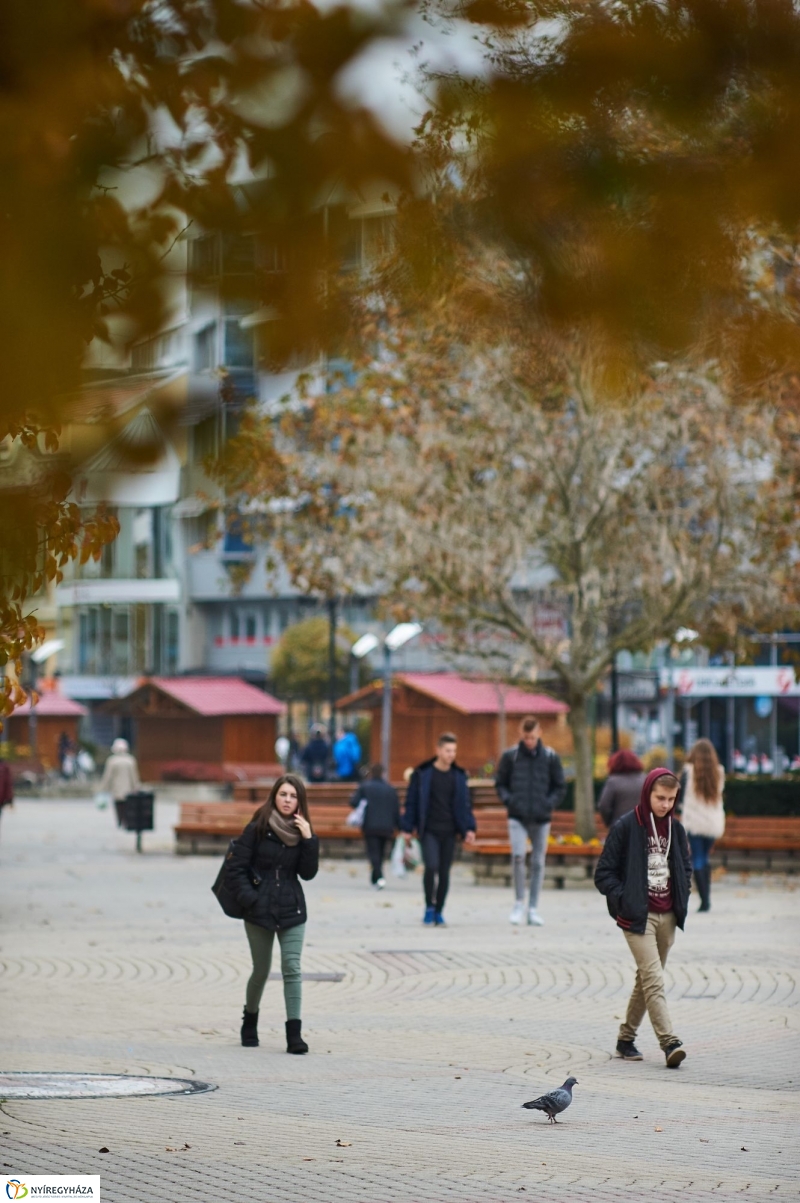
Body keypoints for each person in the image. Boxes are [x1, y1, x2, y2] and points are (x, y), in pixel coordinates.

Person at [594, 767, 692, 1067]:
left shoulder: (677, 828)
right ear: (647, 792)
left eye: (671, 799)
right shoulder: (627, 826)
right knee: (654, 979)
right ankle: (669, 1042)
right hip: (637, 917)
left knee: (645, 981)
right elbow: (603, 874)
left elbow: (685, 867)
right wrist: (626, 899)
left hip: (668, 917)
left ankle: (626, 1039)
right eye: (660, 798)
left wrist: (682, 893)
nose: (665, 804)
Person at [227, 773, 319, 1054]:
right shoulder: (258, 827)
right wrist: (249, 898)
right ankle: (249, 1020)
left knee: (292, 969)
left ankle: (294, 1034)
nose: (288, 800)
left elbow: (308, 873)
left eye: (293, 796)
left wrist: (308, 839)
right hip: (259, 910)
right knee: (261, 970)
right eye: (283, 795)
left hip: (292, 908)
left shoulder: (303, 831)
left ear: (299, 801)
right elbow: (236, 868)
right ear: (275, 797)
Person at [494, 715, 566, 926]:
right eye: (526, 737)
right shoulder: (511, 756)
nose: (529, 741)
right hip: (517, 815)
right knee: (518, 856)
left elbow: (560, 786)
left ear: (539, 733)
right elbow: (500, 783)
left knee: (537, 862)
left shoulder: (550, 757)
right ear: (521, 735)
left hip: (541, 817)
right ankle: (518, 902)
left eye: (532, 737)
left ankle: (533, 907)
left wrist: (548, 803)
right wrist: (510, 801)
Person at [401, 732, 476, 926]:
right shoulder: (423, 774)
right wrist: (407, 827)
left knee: (444, 872)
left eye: (454, 751)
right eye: (447, 750)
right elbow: (412, 802)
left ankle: (439, 910)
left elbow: (465, 805)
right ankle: (429, 907)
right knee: (431, 866)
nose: (451, 754)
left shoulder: (459, 776)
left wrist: (469, 828)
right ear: (438, 750)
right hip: (430, 831)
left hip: (450, 831)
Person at [680, 738, 725, 913]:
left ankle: (704, 900)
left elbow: (680, 796)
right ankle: (707, 898)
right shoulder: (718, 772)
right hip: (712, 823)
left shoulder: (687, 773)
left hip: (694, 822)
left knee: (697, 858)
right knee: (704, 857)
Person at [350, 764, 400, 888]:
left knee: (373, 852)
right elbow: (396, 809)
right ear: (383, 773)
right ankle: (376, 877)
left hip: (370, 825)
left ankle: (379, 877)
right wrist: (399, 826)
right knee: (381, 852)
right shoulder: (390, 789)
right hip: (387, 827)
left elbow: (353, 802)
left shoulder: (365, 787)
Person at [597, 749, 646, 828]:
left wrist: (609, 821)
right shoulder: (645, 780)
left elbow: (604, 806)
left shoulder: (613, 782)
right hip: (642, 827)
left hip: (619, 826)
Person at [99, 737, 141, 825]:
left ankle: (119, 821)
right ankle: (126, 820)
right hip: (128, 787)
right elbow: (134, 776)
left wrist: (103, 788)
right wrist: (136, 787)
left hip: (116, 787)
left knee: (118, 805)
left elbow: (107, 776)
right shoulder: (130, 760)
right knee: (127, 805)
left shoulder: (112, 760)